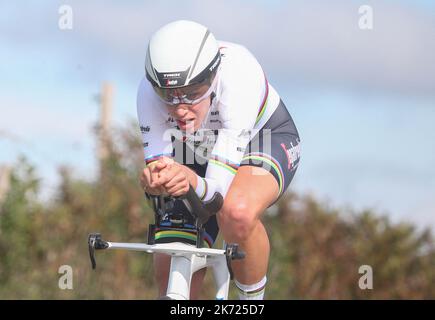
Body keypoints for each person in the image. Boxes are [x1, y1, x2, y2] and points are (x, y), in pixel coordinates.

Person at [137, 20, 301, 300]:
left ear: (212, 78)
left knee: (236, 212)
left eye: (192, 93)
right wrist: (154, 181)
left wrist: (187, 179)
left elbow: (216, 195)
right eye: (169, 96)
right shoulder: (148, 94)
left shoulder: (239, 78)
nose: (180, 108)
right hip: (197, 151)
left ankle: (250, 302)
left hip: (261, 139)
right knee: (173, 240)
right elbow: (160, 174)